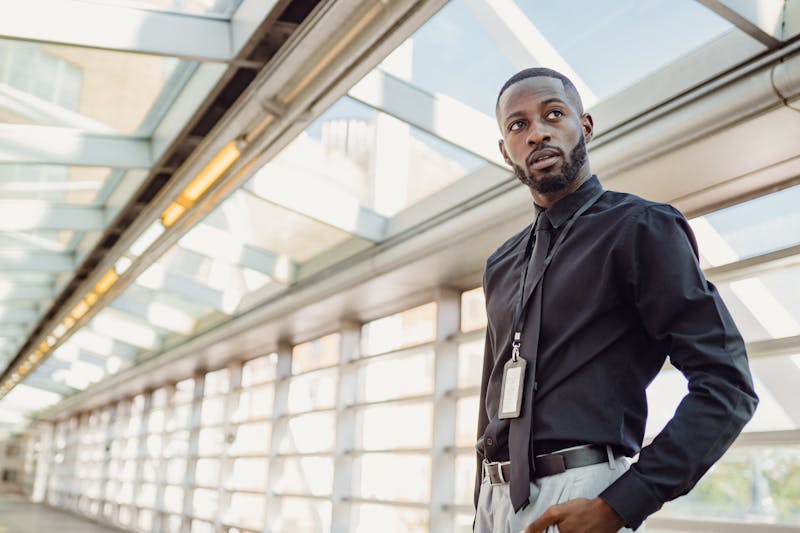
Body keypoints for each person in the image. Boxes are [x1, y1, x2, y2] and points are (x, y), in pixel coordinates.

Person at [473, 67, 758, 533]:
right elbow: (492, 397)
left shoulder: (642, 228)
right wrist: (480, 506)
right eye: (518, 124)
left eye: (553, 113)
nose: (537, 132)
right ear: (507, 151)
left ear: (584, 125)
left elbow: (727, 385)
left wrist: (620, 504)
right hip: (493, 500)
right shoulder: (499, 263)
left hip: (583, 493)